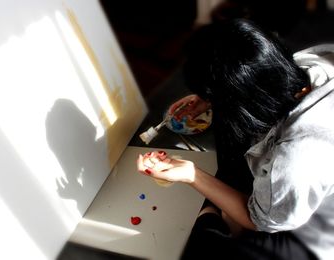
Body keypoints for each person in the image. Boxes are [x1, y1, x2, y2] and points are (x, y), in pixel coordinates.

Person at [136, 19, 334, 260]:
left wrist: (192, 175)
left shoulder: (295, 160)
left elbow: (259, 220)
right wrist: (208, 99)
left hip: (314, 232)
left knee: (203, 249)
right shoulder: (316, 61)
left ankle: (212, 213)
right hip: (296, 182)